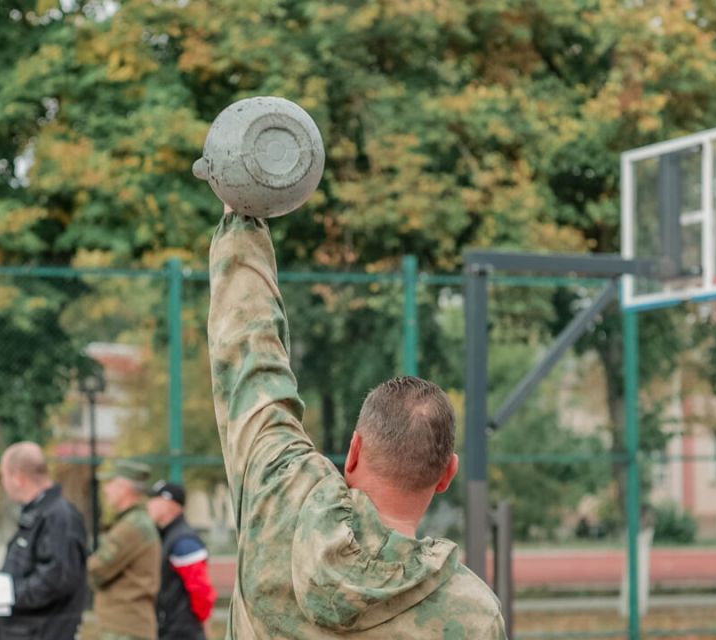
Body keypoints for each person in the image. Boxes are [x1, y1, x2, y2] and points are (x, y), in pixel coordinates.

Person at [207, 205, 508, 638]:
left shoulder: (280, 498)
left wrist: (242, 218)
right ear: (447, 475)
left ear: (354, 452)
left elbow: (250, 358)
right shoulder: (472, 616)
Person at [0, 441, 89, 640]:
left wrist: (6, 593)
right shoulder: (38, 514)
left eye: (3, 475)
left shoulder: (59, 517)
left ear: (18, 478)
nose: (2, 482)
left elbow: (55, 581)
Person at [88, 459, 161, 640]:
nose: (106, 490)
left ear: (124, 488)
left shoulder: (131, 527)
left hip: (125, 630)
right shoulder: (135, 521)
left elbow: (96, 570)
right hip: (128, 627)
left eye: (110, 484)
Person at [147, 480, 218, 640]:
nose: (149, 504)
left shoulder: (184, 541)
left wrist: (204, 628)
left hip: (183, 632)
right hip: (170, 629)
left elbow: (202, 590)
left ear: (169, 504)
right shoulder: (166, 535)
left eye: (155, 500)